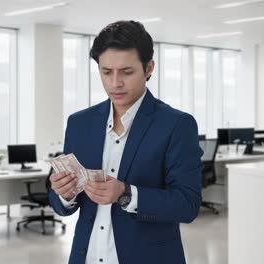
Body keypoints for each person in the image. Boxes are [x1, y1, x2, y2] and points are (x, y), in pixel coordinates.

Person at [49, 20, 203, 264]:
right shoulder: (80, 123)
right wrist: (64, 194)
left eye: (127, 72)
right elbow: (59, 202)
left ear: (149, 68)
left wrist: (126, 193)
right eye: (106, 72)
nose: (115, 83)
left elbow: (188, 204)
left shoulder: (176, 125)